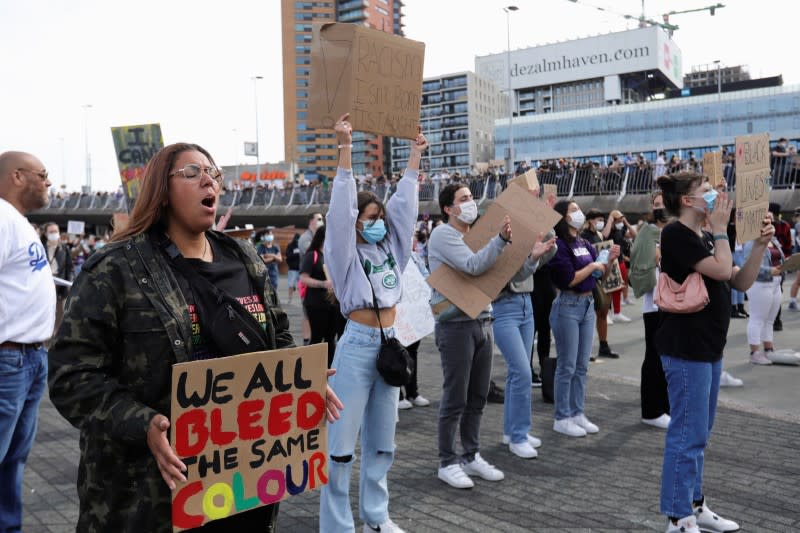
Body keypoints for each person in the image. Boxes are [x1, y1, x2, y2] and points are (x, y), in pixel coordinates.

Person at [48, 143, 342, 532]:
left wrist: (299, 379)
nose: (209, 180)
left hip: (242, 487)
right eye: (192, 172)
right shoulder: (114, 270)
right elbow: (71, 377)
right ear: (161, 191)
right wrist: (143, 424)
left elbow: (279, 337)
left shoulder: (245, 258)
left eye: (214, 174)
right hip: (151, 497)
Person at [319, 115, 426, 533]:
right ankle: (337, 525)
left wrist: (415, 156)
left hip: (391, 344)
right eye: (368, 216)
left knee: (383, 441)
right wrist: (346, 149)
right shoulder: (344, 255)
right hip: (357, 346)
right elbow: (340, 214)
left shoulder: (392, 249)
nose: (377, 221)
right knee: (341, 446)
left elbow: (405, 207)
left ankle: (377, 518)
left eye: (379, 215)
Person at [654, 171, 772, 533]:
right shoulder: (676, 234)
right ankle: (678, 517)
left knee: (699, 433)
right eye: (706, 191)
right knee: (687, 434)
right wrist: (721, 229)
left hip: (708, 348)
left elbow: (739, 280)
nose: (715, 195)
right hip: (686, 349)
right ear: (687, 201)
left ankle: (695, 502)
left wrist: (759, 247)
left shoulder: (705, 235)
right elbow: (721, 269)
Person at [428, 182, 512, 489]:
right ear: (449, 209)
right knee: (455, 397)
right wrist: (501, 241)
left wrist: (531, 256)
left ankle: (471, 455)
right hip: (456, 325)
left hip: (483, 320)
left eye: (471, 197)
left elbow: (499, 272)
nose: (470, 203)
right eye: (463, 199)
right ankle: (447, 461)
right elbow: (473, 266)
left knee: (477, 395)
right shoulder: (442, 235)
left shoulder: (477, 237)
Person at [0, 151, 56, 533]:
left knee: (13, 460)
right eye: (43, 174)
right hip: (9, 360)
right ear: (17, 176)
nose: (48, 182)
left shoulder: (16, 222)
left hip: (30, 359)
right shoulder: (2, 218)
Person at [548, 201, 620, 438]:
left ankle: (577, 412)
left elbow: (600, 275)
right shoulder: (559, 245)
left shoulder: (584, 243)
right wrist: (593, 266)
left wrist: (607, 262)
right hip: (568, 305)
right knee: (566, 366)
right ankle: (562, 416)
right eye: (572, 210)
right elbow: (569, 278)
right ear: (562, 217)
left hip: (587, 305)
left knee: (582, 365)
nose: (578, 213)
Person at [491, 201, 556, 459]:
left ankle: (513, 431)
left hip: (526, 304)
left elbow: (548, 252)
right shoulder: (496, 238)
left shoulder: (526, 232)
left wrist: (545, 217)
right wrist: (530, 257)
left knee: (516, 373)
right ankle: (517, 435)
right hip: (503, 307)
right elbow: (512, 273)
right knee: (521, 371)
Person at [628, 192, 670, 429]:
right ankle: (651, 410)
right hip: (654, 304)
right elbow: (639, 264)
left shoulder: (674, 230)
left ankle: (664, 406)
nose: (660, 207)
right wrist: (656, 258)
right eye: (656, 204)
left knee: (668, 358)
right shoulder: (647, 233)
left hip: (673, 303)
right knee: (654, 357)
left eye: (664, 203)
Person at [300, 224, 346, 367]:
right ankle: (310, 368)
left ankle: (329, 370)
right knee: (317, 337)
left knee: (330, 338)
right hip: (316, 303)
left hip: (333, 303)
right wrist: (323, 284)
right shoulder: (312, 255)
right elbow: (304, 278)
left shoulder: (332, 255)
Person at [743, 211, 785, 365]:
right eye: (766, 219)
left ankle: (769, 349)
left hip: (775, 282)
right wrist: (770, 271)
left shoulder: (773, 239)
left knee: (770, 319)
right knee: (757, 318)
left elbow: (779, 257)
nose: (770, 221)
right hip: (760, 283)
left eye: (770, 218)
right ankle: (754, 352)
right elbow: (747, 264)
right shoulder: (751, 241)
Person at [397, 236, 431, 411]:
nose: (411, 240)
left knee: (412, 353)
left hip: (414, 311)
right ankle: (398, 394)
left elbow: (426, 276)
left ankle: (412, 391)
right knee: (397, 353)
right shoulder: (391, 253)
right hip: (398, 313)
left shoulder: (415, 257)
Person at [580, 209, 619, 359]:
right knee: (590, 314)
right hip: (589, 278)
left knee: (603, 312)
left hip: (601, 276)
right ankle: (585, 349)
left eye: (603, 219)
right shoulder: (584, 237)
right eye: (598, 219)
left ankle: (604, 345)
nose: (600, 222)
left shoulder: (599, 235)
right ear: (590, 220)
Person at [42, 222, 74, 336]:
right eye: (51, 232)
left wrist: (69, 282)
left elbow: (70, 267)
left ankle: (57, 338)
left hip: (60, 285)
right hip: (44, 285)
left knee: (60, 314)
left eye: (56, 231)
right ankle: (45, 338)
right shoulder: (40, 247)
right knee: (45, 313)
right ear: (46, 234)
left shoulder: (64, 248)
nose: (54, 234)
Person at [299, 212, 325, 345]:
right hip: (311, 289)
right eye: (319, 219)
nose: (321, 221)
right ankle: (306, 341)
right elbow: (305, 273)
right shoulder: (306, 239)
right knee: (307, 315)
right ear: (311, 221)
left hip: (322, 295)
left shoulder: (315, 237)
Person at [256, 227, 282, 291]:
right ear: (263, 237)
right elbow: (263, 260)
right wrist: (275, 257)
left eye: (270, 234)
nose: (270, 236)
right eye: (268, 234)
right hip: (264, 274)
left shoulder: (276, 247)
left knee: (274, 292)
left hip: (274, 274)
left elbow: (280, 259)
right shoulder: (261, 247)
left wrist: (271, 255)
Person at [285, 232, 301, 303]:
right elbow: (288, 255)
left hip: (301, 269)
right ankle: (289, 298)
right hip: (292, 269)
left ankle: (302, 299)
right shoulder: (290, 246)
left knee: (301, 286)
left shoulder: (301, 246)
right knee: (291, 284)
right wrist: (296, 253)